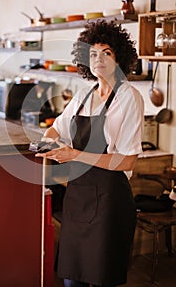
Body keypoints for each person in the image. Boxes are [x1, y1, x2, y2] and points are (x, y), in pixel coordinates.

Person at [36, 20, 144, 287]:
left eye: (106, 52)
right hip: (78, 199)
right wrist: (46, 143)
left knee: (102, 278)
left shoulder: (129, 97)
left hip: (110, 202)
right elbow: (55, 129)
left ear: (119, 56)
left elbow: (127, 161)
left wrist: (74, 155)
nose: (99, 60)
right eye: (93, 54)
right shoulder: (83, 96)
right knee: (72, 280)